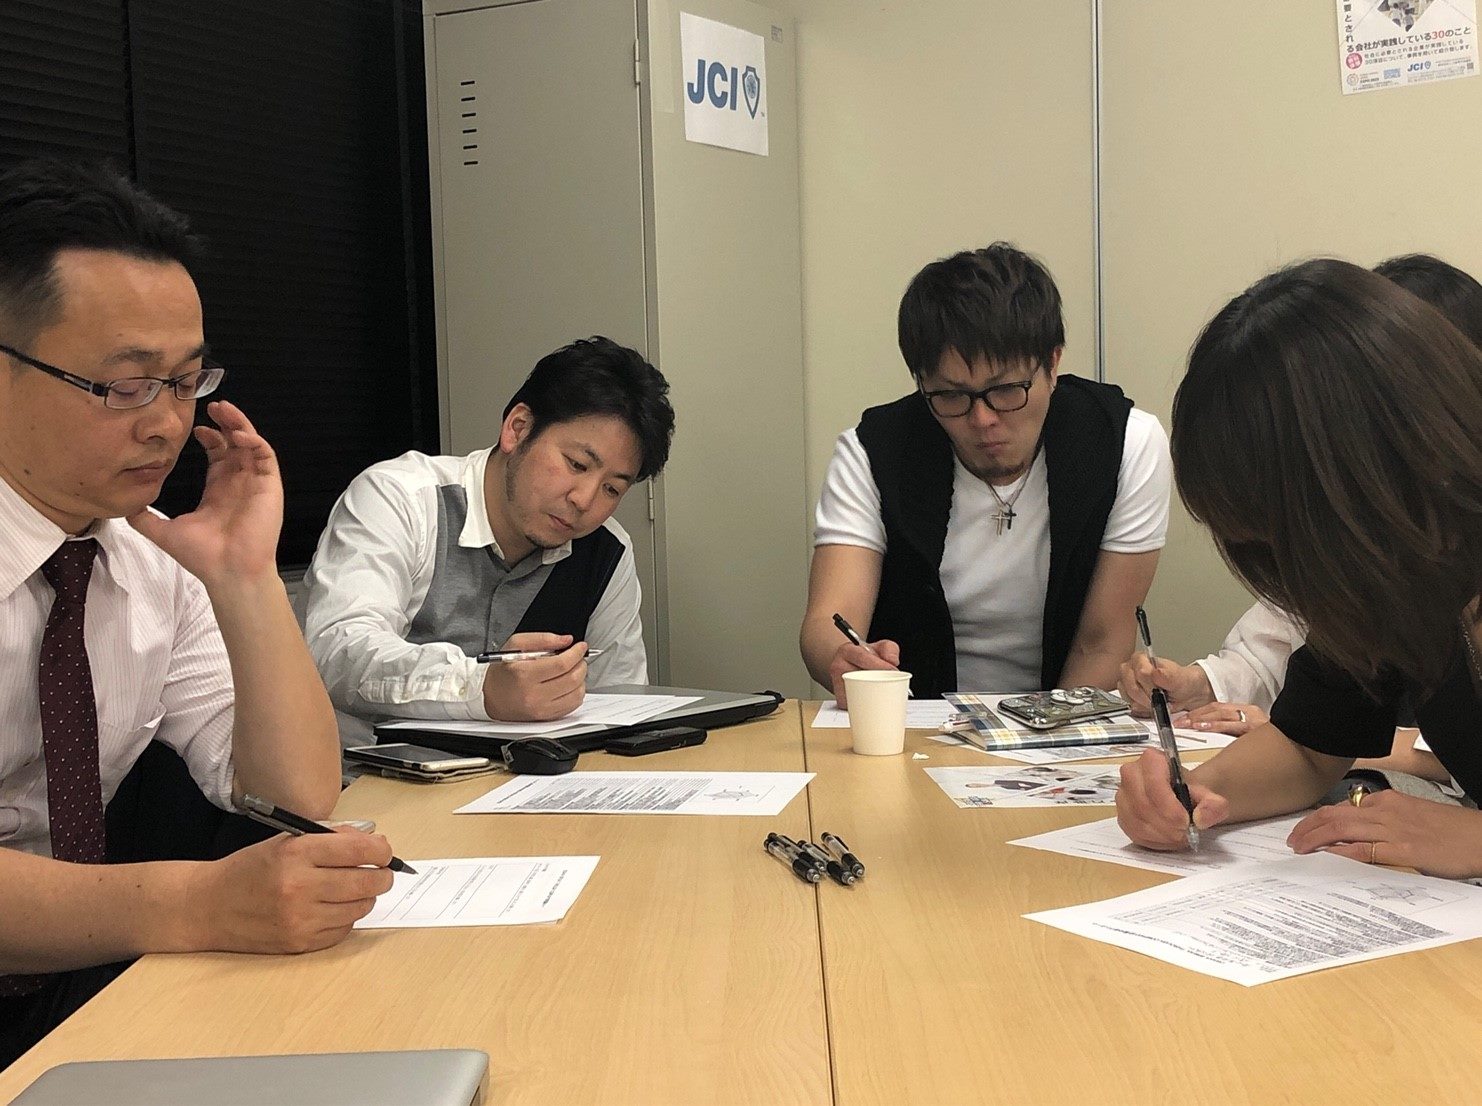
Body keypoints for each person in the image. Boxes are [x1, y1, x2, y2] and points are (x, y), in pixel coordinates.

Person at [0, 159, 396, 1068]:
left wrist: (245, 578)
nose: (168, 425)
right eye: (126, 385)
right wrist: (199, 904)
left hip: (70, 989)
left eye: (185, 382)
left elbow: (294, 796)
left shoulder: (149, 562)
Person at [1117, 258, 1482, 879]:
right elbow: (1311, 748)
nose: (1289, 574)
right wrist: (1190, 794)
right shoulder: (1398, 581)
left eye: (1289, 535)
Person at [800, 242, 1171, 704]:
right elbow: (827, 623)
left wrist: (1037, 737)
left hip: (1062, 718)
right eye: (951, 396)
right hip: (915, 718)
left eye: (1007, 389)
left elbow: (1101, 643)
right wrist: (842, 658)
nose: (983, 420)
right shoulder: (873, 452)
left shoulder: (1125, 443)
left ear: (1053, 363)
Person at [301, 336, 675, 746]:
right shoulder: (401, 498)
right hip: (361, 771)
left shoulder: (606, 551)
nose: (584, 500)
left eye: (612, 489)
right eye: (577, 464)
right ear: (518, 428)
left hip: (525, 777)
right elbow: (337, 652)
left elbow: (622, 701)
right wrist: (480, 687)